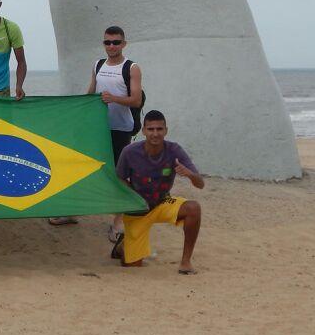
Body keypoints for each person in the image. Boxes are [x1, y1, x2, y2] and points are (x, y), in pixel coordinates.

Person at [49, 25, 142, 230]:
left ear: (123, 44)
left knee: (119, 173)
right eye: (107, 42)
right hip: (96, 127)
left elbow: (136, 100)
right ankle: (72, 211)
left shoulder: (131, 67)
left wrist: (114, 99)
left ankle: (119, 219)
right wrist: (78, 112)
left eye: (116, 42)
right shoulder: (98, 65)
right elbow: (90, 93)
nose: (111, 46)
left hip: (121, 128)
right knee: (81, 167)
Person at [111, 110, 203, 274]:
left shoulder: (174, 150)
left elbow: (200, 184)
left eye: (159, 129)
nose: (155, 133)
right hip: (137, 210)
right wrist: (135, 197)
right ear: (144, 131)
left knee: (194, 208)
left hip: (162, 203)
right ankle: (122, 245)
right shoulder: (130, 152)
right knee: (132, 266)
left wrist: (190, 175)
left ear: (166, 130)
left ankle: (186, 262)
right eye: (151, 129)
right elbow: (118, 180)